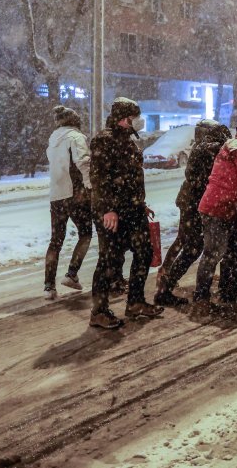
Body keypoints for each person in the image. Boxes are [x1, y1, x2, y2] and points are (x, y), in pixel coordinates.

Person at [88, 98, 163, 329]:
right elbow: (99, 178)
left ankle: (136, 302)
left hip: (133, 209)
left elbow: (130, 179)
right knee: (109, 260)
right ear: (124, 118)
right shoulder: (104, 140)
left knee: (144, 251)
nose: (138, 121)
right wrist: (108, 209)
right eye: (134, 116)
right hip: (113, 213)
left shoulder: (128, 141)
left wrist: (140, 203)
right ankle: (99, 312)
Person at [154, 119, 230, 307]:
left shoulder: (200, 148)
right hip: (195, 204)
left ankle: (166, 280)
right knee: (192, 246)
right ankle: (165, 285)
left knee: (188, 243)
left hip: (192, 202)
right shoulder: (206, 149)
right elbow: (203, 178)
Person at [194, 120, 237, 308]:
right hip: (217, 208)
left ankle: (229, 286)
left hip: (229, 208)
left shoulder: (234, 146)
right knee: (214, 251)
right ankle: (201, 296)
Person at [44, 105, 93, 300]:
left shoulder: (53, 139)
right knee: (86, 233)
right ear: (75, 121)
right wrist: (89, 185)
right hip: (75, 194)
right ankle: (72, 274)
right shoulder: (75, 137)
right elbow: (83, 162)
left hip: (56, 195)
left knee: (55, 241)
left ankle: (48, 286)